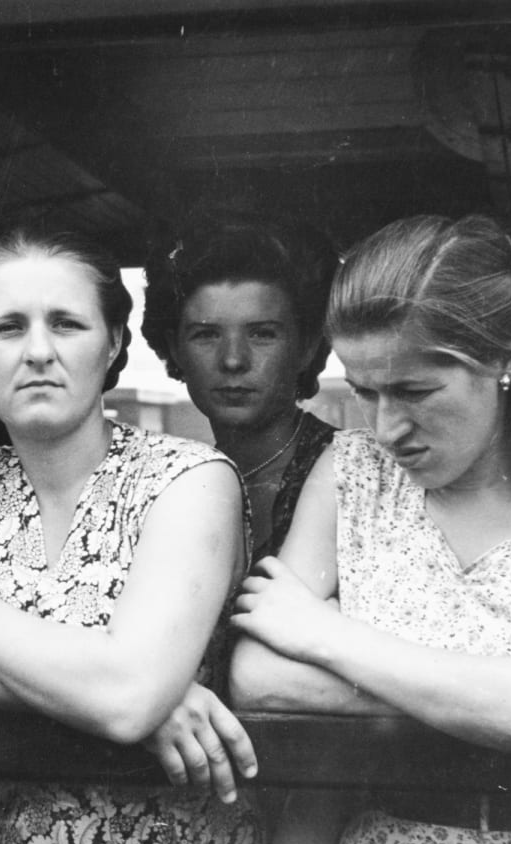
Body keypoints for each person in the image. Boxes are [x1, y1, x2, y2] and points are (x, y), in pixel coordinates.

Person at [168, 214, 511, 844]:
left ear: (504, 357)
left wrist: (328, 637)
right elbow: (261, 677)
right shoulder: (350, 471)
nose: (386, 428)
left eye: (415, 391)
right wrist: (504, 707)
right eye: (365, 392)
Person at [0, 227, 264, 844]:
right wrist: (112, 687)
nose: (38, 352)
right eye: (5, 328)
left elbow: (129, 697)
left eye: (66, 324)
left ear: (113, 342)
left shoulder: (190, 479)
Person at [138, 216, 338, 802]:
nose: (232, 360)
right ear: (173, 349)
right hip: (195, 793)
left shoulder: (350, 475)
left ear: (306, 347)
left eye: (263, 333)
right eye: (204, 334)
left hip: (319, 800)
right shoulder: (169, 484)